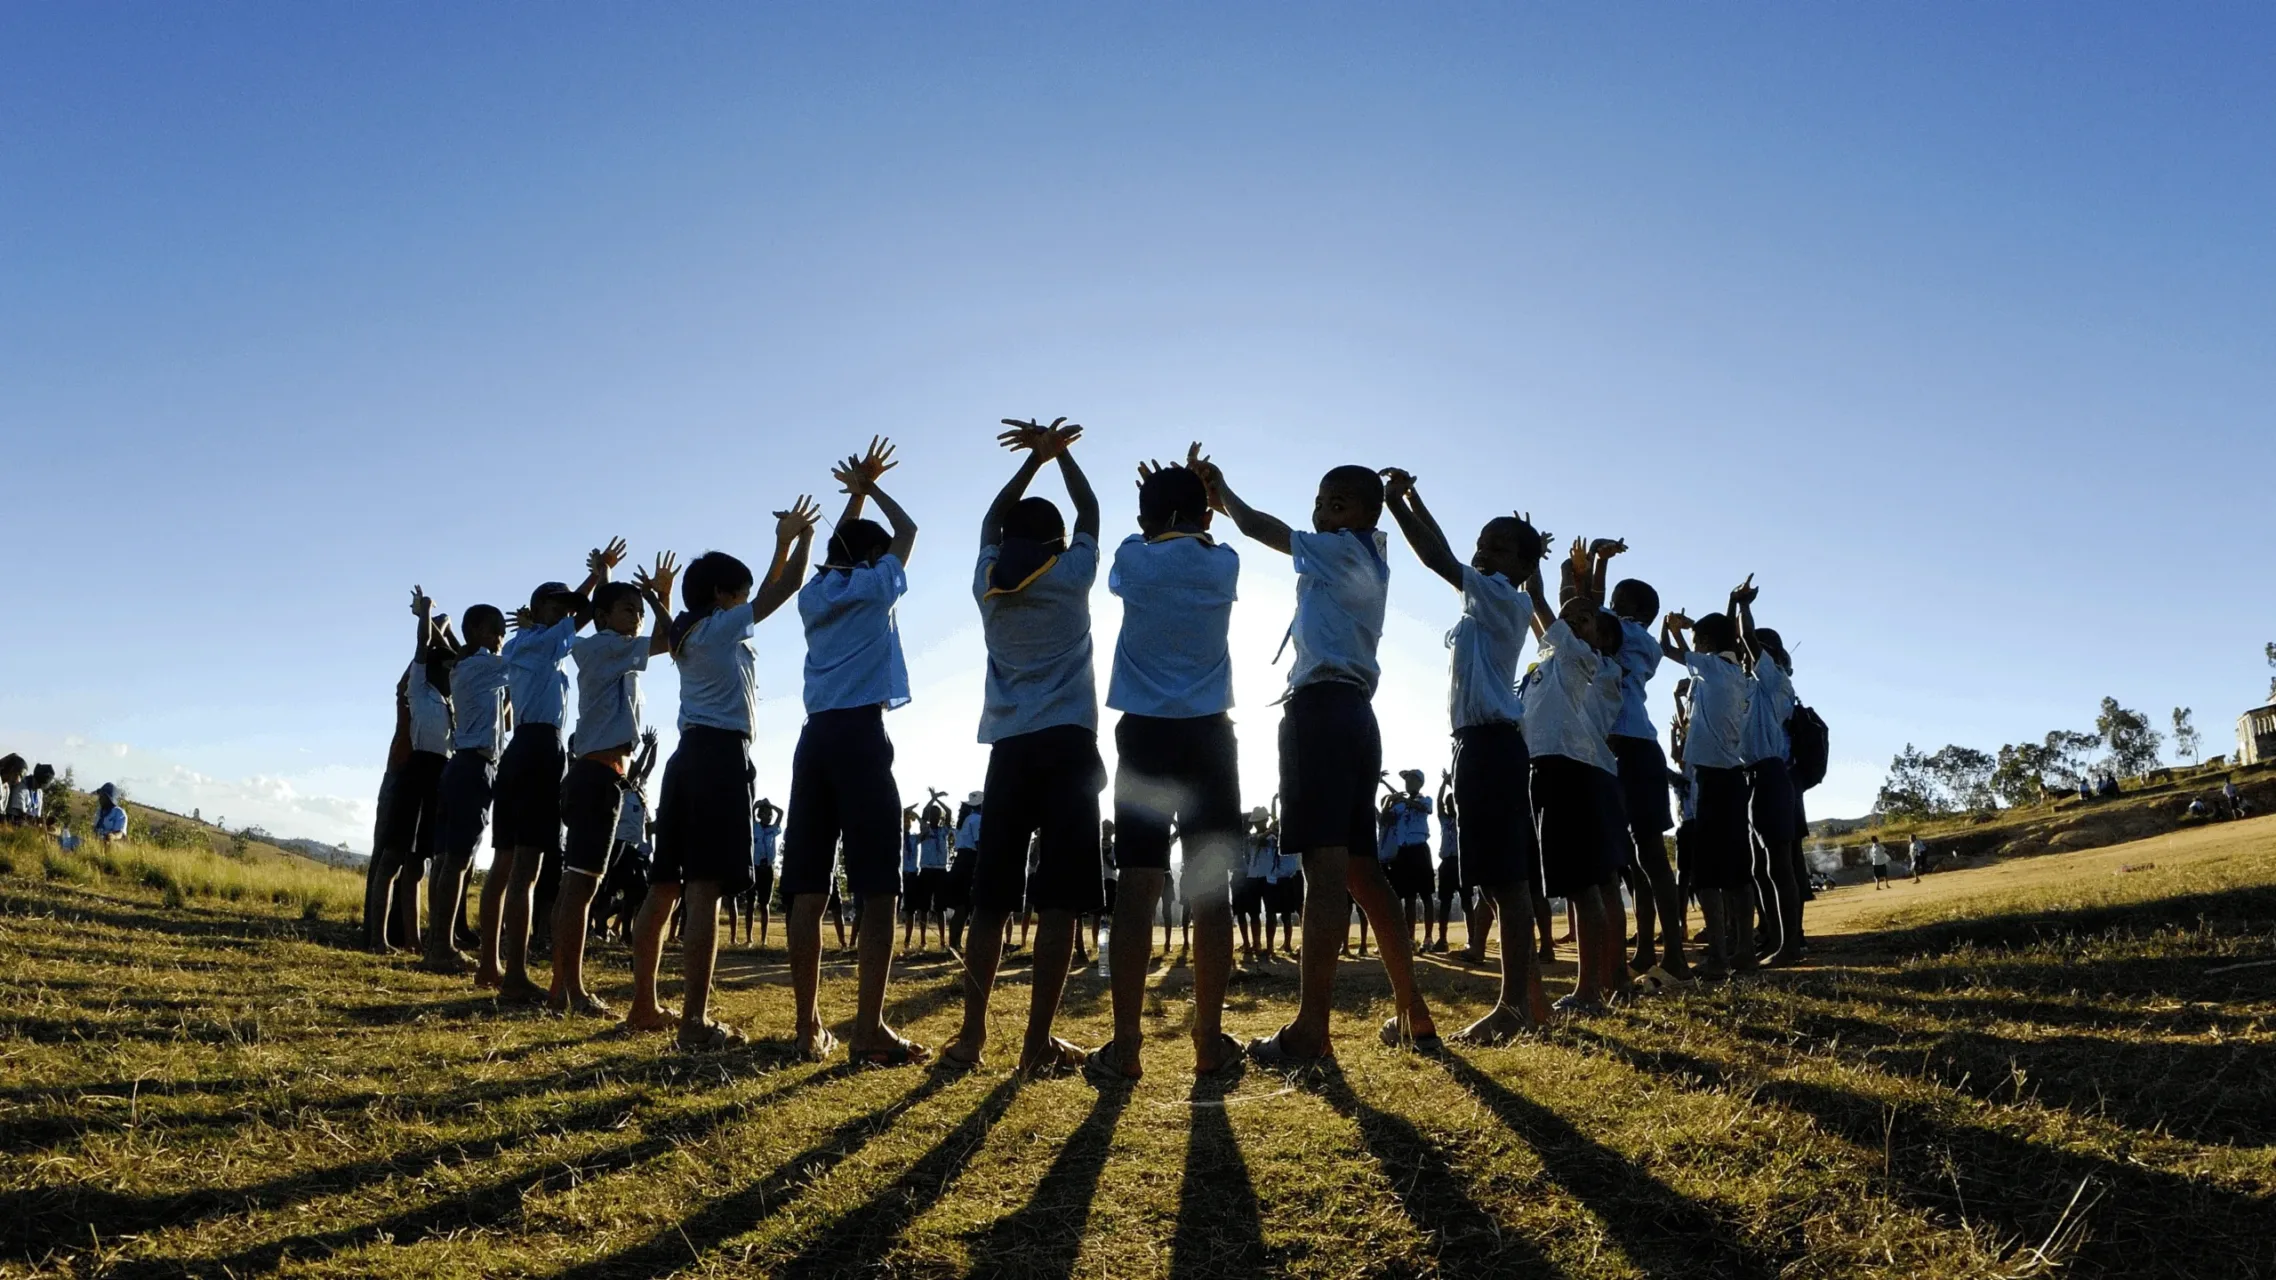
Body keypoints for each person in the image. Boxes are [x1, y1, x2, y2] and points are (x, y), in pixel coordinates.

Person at [1196, 453, 1440, 1067]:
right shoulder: (1367, 557)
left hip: (1321, 712)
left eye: (1337, 503)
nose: (1322, 513)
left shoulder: (1341, 549)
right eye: (1319, 502)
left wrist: (1222, 490)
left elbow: (1260, 530)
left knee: (1325, 872)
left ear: (1365, 513)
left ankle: (1311, 1031)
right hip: (1356, 713)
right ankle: (1414, 1010)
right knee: (1362, 873)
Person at [944, 419, 1105, 1076]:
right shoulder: (1070, 574)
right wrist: (1061, 457)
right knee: (1060, 901)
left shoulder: (987, 581)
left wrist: (1031, 465)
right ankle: (1036, 1043)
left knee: (990, 903)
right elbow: (1092, 510)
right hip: (1067, 748)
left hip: (1008, 751)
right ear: (1057, 541)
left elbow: (990, 521)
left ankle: (971, 1038)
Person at [626, 503, 817, 1049]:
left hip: (686, 759)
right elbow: (785, 588)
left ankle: (645, 1006)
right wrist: (794, 539)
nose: (745, 602)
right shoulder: (718, 627)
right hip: (719, 758)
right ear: (722, 596)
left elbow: (699, 614)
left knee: (665, 888)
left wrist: (663, 600)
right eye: (739, 592)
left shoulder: (687, 634)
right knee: (705, 890)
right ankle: (693, 1022)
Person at [1086, 449, 1247, 1083]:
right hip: (1210, 739)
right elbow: (1204, 534)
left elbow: (1135, 549)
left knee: (1137, 887)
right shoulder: (1223, 562)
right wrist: (1200, 503)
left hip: (1146, 740)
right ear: (1204, 514)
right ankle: (1208, 1043)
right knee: (1212, 893)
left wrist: (1161, 513)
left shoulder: (1132, 557)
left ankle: (1126, 1046)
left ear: (1149, 517)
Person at [1379, 471, 1553, 1039]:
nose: (1483, 553)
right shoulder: (1488, 597)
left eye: (1499, 547)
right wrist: (1415, 498)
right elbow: (1451, 552)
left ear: (1524, 569)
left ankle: (1513, 1008)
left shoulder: (1503, 597)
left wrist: (1396, 506)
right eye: (1483, 542)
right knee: (1503, 881)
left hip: (1491, 745)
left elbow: (1436, 557)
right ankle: (1530, 1001)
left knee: (1506, 882)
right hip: (1478, 745)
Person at [780, 437, 927, 1066]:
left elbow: (838, 558)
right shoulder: (875, 586)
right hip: (862, 737)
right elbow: (908, 529)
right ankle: (867, 1028)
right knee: (876, 886)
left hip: (814, 738)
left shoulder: (814, 597)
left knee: (808, 887)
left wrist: (853, 502)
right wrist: (870, 493)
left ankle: (807, 1026)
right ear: (871, 558)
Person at [481, 538, 624, 1002]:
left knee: (506, 862)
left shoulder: (532, 642)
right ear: (539, 607)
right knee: (526, 866)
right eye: (557, 605)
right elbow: (581, 618)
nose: (567, 614)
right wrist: (597, 577)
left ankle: (491, 965)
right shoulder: (539, 641)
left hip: (524, 748)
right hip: (539, 748)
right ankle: (516, 974)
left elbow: (576, 618)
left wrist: (595, 579)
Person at [549, 555, 676, 1016]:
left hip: (604, 774)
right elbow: (669, 639)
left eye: (639, 612)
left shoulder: (613, 649)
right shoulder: (605, 647)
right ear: (602, 617)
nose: (636, 619)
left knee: (577, 886)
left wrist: (650, 597)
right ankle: (573, 992)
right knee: (582, 887)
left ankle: (560, 987)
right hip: (597, 774)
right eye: (628, 610)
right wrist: (663, 597)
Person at [1517, 538, 1632, 1015]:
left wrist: (1535, 570)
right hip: (1582, 770)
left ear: (1601, 638)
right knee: (1600, 883)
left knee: (1583, 885)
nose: (1571, 622)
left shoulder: (1581, 657)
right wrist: (1578, 577)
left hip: (1569, 769)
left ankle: (1588, 992)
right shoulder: (1563, 656)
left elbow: (1544, 605)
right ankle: (1614, 981)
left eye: (1585, 621)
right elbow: (1563, 612)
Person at [1597, 552, 1687, 983]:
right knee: (1638, 859)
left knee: (1645, 857)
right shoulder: (1646, 642)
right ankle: (1650, 948)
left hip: (1626, 746)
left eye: (1616, 601)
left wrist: (1597, 566)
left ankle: (1673, 956)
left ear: (1630, 611)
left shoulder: (1624, 633)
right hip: (1639, 746)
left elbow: (1586, 610)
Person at [1663, 606, 1754, 978]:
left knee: (1710, 875)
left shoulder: (1714, 668)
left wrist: (1671, 629)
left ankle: (1719, 955)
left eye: (1700, 640)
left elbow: (1671, 652)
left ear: (1708, 644)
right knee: (1735, 871)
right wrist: (1689, 630)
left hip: (1715, 781)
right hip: (1729, 777)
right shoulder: (1736, 675)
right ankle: (1743, 951)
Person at [367, 589, 458, 953]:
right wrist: (428, 615)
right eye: (450, 668)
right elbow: (425, 643)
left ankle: (413, 940)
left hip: (441, 773)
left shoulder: (451, 702)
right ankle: (377, 938)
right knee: (393, 857)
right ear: (437, 668)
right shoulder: (419, 687)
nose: (455, 674)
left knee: (418, 863)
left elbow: (464, 655)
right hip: (416, 770)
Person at [423, 602, 510, 974]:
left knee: (445, 859)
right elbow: (524, 664)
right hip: (474, 765)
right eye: (493, 631)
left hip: (461, 765)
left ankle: (438, 943)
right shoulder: (481, 666)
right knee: (457, 862)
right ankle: (441, 946)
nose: (499, 640)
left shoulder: (468, 666)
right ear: (474, 630)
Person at [1731, 578, 1804, 967]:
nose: (1746, 656)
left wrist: (1742, 607)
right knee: (1762, 866)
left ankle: (1790, 943)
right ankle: (1776, 937)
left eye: (1755, 651)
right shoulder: (1754, 686)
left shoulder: (1774, 679)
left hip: (1771, 775)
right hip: (1754, 778)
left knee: (1778, 865)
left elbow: (1745, 641)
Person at [1381, 769, 1436, 950]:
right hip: (1403, 853)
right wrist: (1390, 800)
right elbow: (1384, 820)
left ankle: (1428, 937)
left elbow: (1424, 809)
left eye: (1411, 780)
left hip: (1420, 850)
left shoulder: (1425, 799)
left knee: (1426, 896)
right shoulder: (1399, 806)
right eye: (1406, 780)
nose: (1407, 783)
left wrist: (1403, 800)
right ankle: (1410, 938)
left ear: (1419, 782)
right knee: (1409, 898)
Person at [1235, 807, 1273, 960]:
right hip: (1254, 878)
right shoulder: (1251, 838)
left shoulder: (1273, 837)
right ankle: (1257, 944)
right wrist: (1269, 831)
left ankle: (1269, 946)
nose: (1257, 824)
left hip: (1268, 877)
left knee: (1270, 912)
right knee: (1254, 913)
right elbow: (1259, 840)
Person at [916, 791, 952, 951]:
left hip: (940, 870)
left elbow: (949, 812)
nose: (935, 817)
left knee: (940, 907)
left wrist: (938, 799)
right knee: (923, 907)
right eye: (933, 815)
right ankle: (923, 941)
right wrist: (932, 799)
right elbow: (923, 814)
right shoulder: (925, 829)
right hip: (926, 870)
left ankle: (943, 940)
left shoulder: (944, 830)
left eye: (938, 815)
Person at [947, 793, 982, 951]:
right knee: (966, 907)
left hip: (960, 862)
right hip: (969, 862)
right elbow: (979, 844)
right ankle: (962, 944)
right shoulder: (977, 820)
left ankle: (954, 943)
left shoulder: (966, 820)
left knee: (962, 907)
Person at [750, 798, 782, 948]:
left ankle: (763, 939)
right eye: (765, 813)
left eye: (769, 814)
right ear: (759, 814)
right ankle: (749, 938)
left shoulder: (773, 829)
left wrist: (771, 806)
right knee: (751, 903)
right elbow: (750, 810)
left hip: (767, 869)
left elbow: (781, 813)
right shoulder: (754, 826)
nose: (768, 816)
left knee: (765, 904)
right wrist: (759, 804)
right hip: (755, 867)